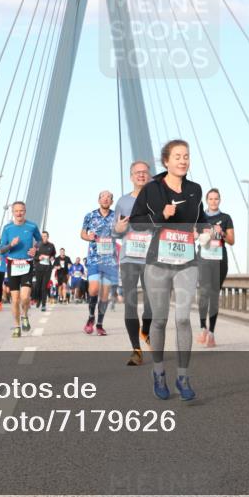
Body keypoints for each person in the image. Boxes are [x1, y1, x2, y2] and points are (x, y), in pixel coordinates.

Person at [129, 140, 209, 401]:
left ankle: (183, 377)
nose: (183, 161)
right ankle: (159, 371)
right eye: (177, 156)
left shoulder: (195, 190)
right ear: (166, 161)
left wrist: (207, 229)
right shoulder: (152, 189)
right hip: (157, 263)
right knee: (160, 320)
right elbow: (136, 223)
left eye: (186, 156)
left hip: (186, 262)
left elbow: (201, 219)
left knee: (183, 319)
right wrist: (160, 216)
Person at [114, 160, 154, 365]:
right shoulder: (122, 202)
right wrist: (118, 229)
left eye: (144, 172)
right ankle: (136, 350)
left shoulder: (157, 200)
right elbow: (114, 231)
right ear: (131, 177)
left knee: (151, 303)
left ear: (149, 175)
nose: (141, 175)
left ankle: (146, 329)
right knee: (130, 303)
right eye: (137, 172)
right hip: (129, 258)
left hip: (151, 258)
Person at [197, 188, 235, 349]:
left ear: (220, 200)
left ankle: (211, 333)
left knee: (214, 295)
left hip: (219, 260)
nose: (213, 201)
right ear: (207, 200)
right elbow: (193, 235)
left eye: (216, 198)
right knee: (204, 293)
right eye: (211, 199)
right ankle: (202, 327)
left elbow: (232, 241)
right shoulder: (200, 217)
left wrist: (222, 233)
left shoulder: (226, 218)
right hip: (204, 260)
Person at [0, 201, 42, 337]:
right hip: (13, 265)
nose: (19, 213)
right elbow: (1, 249)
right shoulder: (7, 228)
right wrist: (11, 245)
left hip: (27, 264)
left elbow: (40, 241)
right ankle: (17, 326)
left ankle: (25, 315)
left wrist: (35, 249)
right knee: (15, 299)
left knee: (25, 297)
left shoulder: (32, 226)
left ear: (25, 211)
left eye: (21, 210)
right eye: (16, 211)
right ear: (12, 212)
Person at [82, 191, 120, 336]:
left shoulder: (116, 216)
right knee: (93, 290)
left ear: (112, 202)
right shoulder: (90, 216)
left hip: (110, 260)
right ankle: (91, 316)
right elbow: (82, 234)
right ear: (98, 200)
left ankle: (99, 324)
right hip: (94, 258)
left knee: (104, 295)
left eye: (109, 197)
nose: (105, 199)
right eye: (103, 197)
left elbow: (123, 231)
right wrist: (88, 237)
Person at [32, 231, 57, 312]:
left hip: (47, 269)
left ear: (48, 237)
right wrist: (38, 258)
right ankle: (38, 299)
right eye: (42, 236)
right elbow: (33, 256)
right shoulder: (37, 245)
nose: (44, 237)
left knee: (44, 287)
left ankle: (43, 304)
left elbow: (54, 254)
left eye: (45, 236)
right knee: (38, 286)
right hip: (39, 268)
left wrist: (52, 257)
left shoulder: (51, 245)